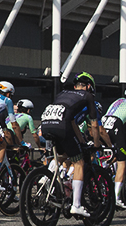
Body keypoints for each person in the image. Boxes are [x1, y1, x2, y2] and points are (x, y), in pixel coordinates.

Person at [37, 72, 107, 218]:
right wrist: (96, 144)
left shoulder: (63, 93)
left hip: (46, 125)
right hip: (62, 126)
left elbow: (73, 121)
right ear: (88, 86)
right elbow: (94, 125)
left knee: (63, 155)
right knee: (79, 162)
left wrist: (81, 141)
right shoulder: (88, 96)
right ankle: (76, 205)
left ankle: (46, 177)